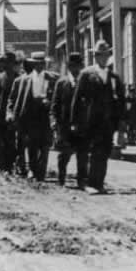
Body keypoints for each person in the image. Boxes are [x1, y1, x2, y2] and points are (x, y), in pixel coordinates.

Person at [71, 40, 125, 195]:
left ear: (109, 56)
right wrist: (75, 121)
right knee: (91, 152)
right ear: (95, 56)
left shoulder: (114, 77)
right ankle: (88, 183)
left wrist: (121, 122)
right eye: (99, 55)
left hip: (108, 122)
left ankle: (99, 182)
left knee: (104, 151)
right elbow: (77, 98)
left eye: (106, 54)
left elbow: (120, 101)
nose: (102, 57)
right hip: (90, 120)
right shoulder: (87, 74)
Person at [6, 53, 56, 181]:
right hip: (30, 116)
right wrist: (11, 114)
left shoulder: (53, 78)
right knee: (32, 145)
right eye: (37, 63)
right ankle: (33, 170)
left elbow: (57, 98)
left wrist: (49, 103)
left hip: (45, 116)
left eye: (42, 63)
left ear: (44, 64)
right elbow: (12, 100)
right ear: (33, 64)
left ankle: (41, 171)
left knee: (45, 145)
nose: (39, 66)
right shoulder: (22, 80)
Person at [50, 52, 87, 187]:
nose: (75, 69)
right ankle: (61, 178)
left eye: (78, 66)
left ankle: (82, 180)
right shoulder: (61, 83)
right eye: (72, 66)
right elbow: (55, 105)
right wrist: (54, 122)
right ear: (68, 67)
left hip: (82, 125)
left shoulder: (86, 82)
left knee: (83, 154)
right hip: (64, 125)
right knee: (64, 154)